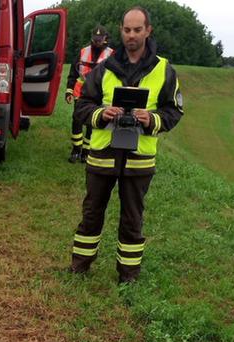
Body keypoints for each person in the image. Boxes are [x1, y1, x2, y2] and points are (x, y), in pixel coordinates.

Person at [69, 6, 184, 283]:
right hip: (102, 157)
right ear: (121, 31)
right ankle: (79, 267)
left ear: (148, 31)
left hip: (138, 161)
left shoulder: (164, 70)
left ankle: (128, 276)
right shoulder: (104, 68)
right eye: (127, 30)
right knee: (92, 213)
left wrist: (151, 119)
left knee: (133, 220)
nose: (131, 35)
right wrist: (101, 114)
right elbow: (82, 106)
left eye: (137, 30)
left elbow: (174, 111)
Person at [65, 25, 114, 163]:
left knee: (92, 123)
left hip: (99, 94)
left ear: (105, 38)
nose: (97, 41)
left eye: (100, 39)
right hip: (81, 92)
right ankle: (76, 150)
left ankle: (86, 152)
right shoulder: (82, 52)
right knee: (77, 120)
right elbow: (73, 74)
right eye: (95, 38)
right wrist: (69, 91)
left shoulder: (112, 54)